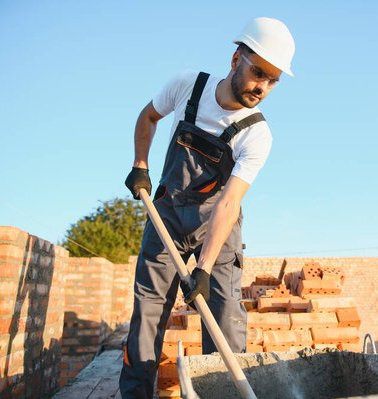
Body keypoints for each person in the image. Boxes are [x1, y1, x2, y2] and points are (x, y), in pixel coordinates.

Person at [119, 17, 295, 398]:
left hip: (218, 223)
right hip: (166, 213)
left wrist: (203, 267)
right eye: (257, 73)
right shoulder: (187, 85)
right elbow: (148, 117)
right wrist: (140, 166)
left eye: (272, 80)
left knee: (225, 314)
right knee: (147, 315)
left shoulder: (257, 133)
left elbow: (229, 202)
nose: (261, 87)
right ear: (236, 60)